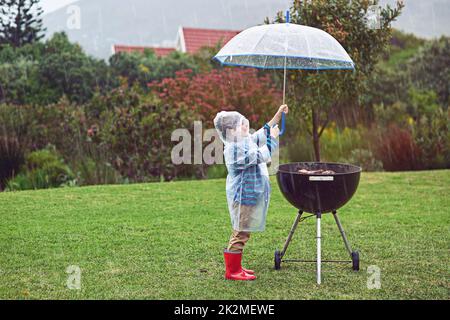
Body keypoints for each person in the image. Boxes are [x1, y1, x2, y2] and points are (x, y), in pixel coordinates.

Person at [213, 105, 288, 281]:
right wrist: (274, 139)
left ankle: (236, 266)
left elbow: (261, 134)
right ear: (231, 132)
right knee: (241, 231)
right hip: (242, 197)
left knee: (243, 230)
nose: (246, 127)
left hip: (248, 195)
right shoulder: (234, 149)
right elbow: (262, 155)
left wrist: (277, 115)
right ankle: (232, 271)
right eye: (241, 125)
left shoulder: (243, 141)